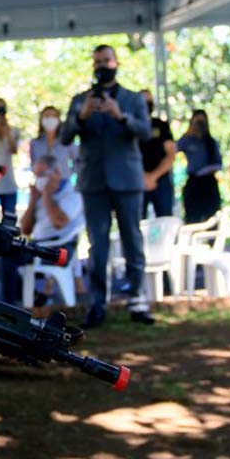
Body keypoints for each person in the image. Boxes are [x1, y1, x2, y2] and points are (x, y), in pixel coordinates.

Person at [61, 44, 154, 327]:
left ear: (116, 63)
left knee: (132, 239)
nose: (102, 65)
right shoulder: (80, 100)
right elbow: (65, 136)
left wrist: (120, 115)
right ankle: (97, 304)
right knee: (97, 245)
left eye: (106, 60)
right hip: (94, 182)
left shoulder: (133, 98)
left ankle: (137, 300)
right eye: (97, 61)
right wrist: (82, 116)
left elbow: (146, 132)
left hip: (126, 180)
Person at [18, 154, 85, 305]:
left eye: (42, 175)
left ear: (56, 173)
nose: (39, 179)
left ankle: (24, 302)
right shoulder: (38, 196)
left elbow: (58, 222)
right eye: (36, 175)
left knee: (9, 261)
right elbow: (25, 229)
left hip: (58, 247)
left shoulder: (72, 194)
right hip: (36, 244)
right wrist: (33, 200)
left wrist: (48, 193)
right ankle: (25, 299)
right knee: (2, 256)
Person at [177, 109, 222, 224]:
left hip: (209, 183)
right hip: (194, 182)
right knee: (192, 218)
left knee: (212, 218)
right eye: (197, 121)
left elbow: (219, 163)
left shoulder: (211, 142)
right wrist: (188, 133)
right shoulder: (187, 140)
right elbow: (175, 149)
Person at [138, 89, 176, 218]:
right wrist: (143, 177)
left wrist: (153, 176)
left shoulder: (161, 126)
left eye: (149, 101)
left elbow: (171, 154)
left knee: (165, 220)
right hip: (137, 180)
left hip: (161, 180)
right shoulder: (129, 126)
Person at [29, 105, 78, 179]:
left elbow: (78, 160)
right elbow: (33, 164)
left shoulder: (67, 140)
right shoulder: (35, 143)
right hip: (42, 185)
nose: (50, 119)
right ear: (41, 119)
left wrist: (69, 174)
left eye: (53, 116)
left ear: (58, 119)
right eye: (47, 116)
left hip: (63, 184)